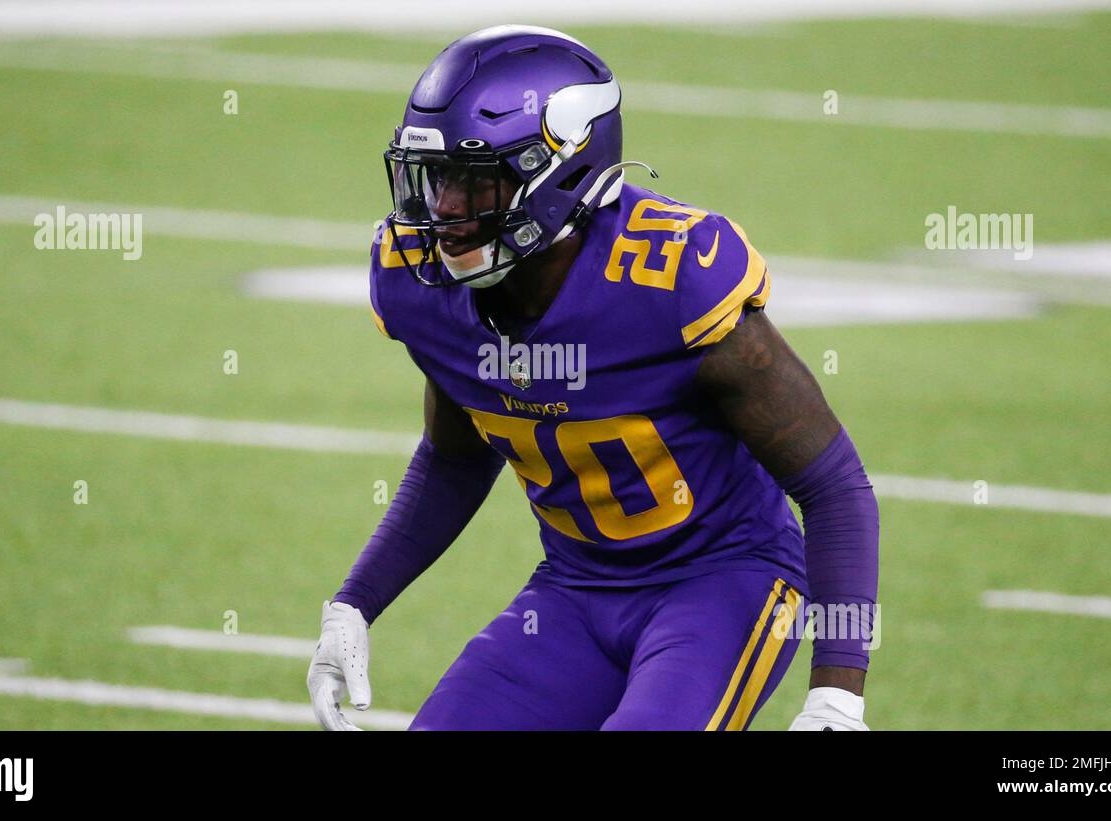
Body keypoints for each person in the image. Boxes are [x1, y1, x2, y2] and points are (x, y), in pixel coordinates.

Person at [307, 24, 879, 731]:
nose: (445, 211)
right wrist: (356, 601)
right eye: (435, 177)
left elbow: (832, 484)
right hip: (575, 589)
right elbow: (456, 456)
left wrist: (837, 693)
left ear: (563, 171)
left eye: (476, 179)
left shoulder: (670, 279)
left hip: (724, 581)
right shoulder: (421, 284)